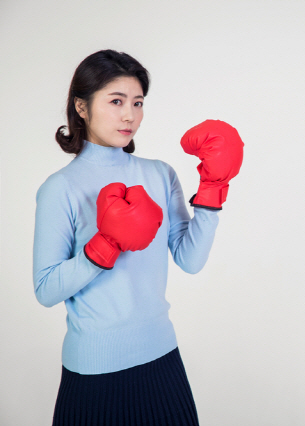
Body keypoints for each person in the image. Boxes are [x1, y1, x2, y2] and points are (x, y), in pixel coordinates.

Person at [33, 49, 244, 426]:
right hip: (94, 374)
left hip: (163, 362)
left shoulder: (160, 174)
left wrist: (213, 189)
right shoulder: (60, 188)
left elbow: (190, 260)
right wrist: (106, 244)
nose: (129, 115)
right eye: (116, 101)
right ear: (81, 107)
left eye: (138, 102)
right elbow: (46, 290)